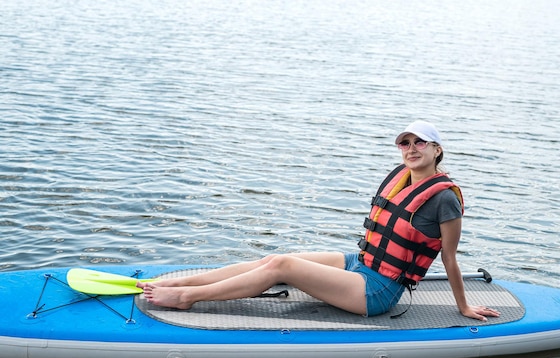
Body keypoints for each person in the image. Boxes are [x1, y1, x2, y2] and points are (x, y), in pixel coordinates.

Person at [140, 120, 500, 321]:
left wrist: (463, 307)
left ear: (437, 149)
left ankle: (188, 297)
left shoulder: (444, 199)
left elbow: (449, 258)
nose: (411, 148)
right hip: (362, 263)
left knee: (282, 265)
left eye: (421, 143)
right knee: (272, 258)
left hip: (378, 290)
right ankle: (186, 280)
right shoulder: (402, 178)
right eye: (405, 143)